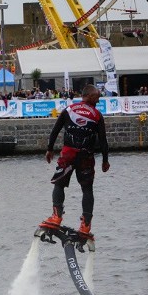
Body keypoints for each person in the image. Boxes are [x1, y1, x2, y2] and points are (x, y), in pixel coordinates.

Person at [40, 84, 110, 237]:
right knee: (87, 189)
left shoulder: (69, 110)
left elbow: (56, 130)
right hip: (86, 156)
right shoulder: (97, 115)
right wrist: (105, 160)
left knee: (59, 184)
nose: (98, 100)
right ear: (89, 96)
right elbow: (103, 140)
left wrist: (49, 149)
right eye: (97, 97)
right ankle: (85, 225)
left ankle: (56, 217)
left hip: (68, 155)